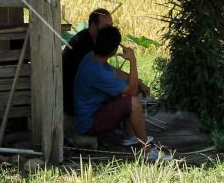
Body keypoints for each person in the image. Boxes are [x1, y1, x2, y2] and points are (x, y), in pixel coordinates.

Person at [72, 26, 169, 161]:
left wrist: (139, 82)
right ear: (113, 50)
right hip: (88, 124)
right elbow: (132, 90)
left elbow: (115, 72)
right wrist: (133, 61)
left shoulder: (92, 57)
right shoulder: (97, 73)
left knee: (127, 92)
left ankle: (130, 136)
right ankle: (146, 149)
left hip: (92, 112)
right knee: (134, 102)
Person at [61, 8, 111, 115]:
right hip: (74, 102)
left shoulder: (92, 39)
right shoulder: (83, 45)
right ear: (93, 26)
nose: (110, 30)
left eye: (111, 26)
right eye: (106, 26)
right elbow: (100, 74)